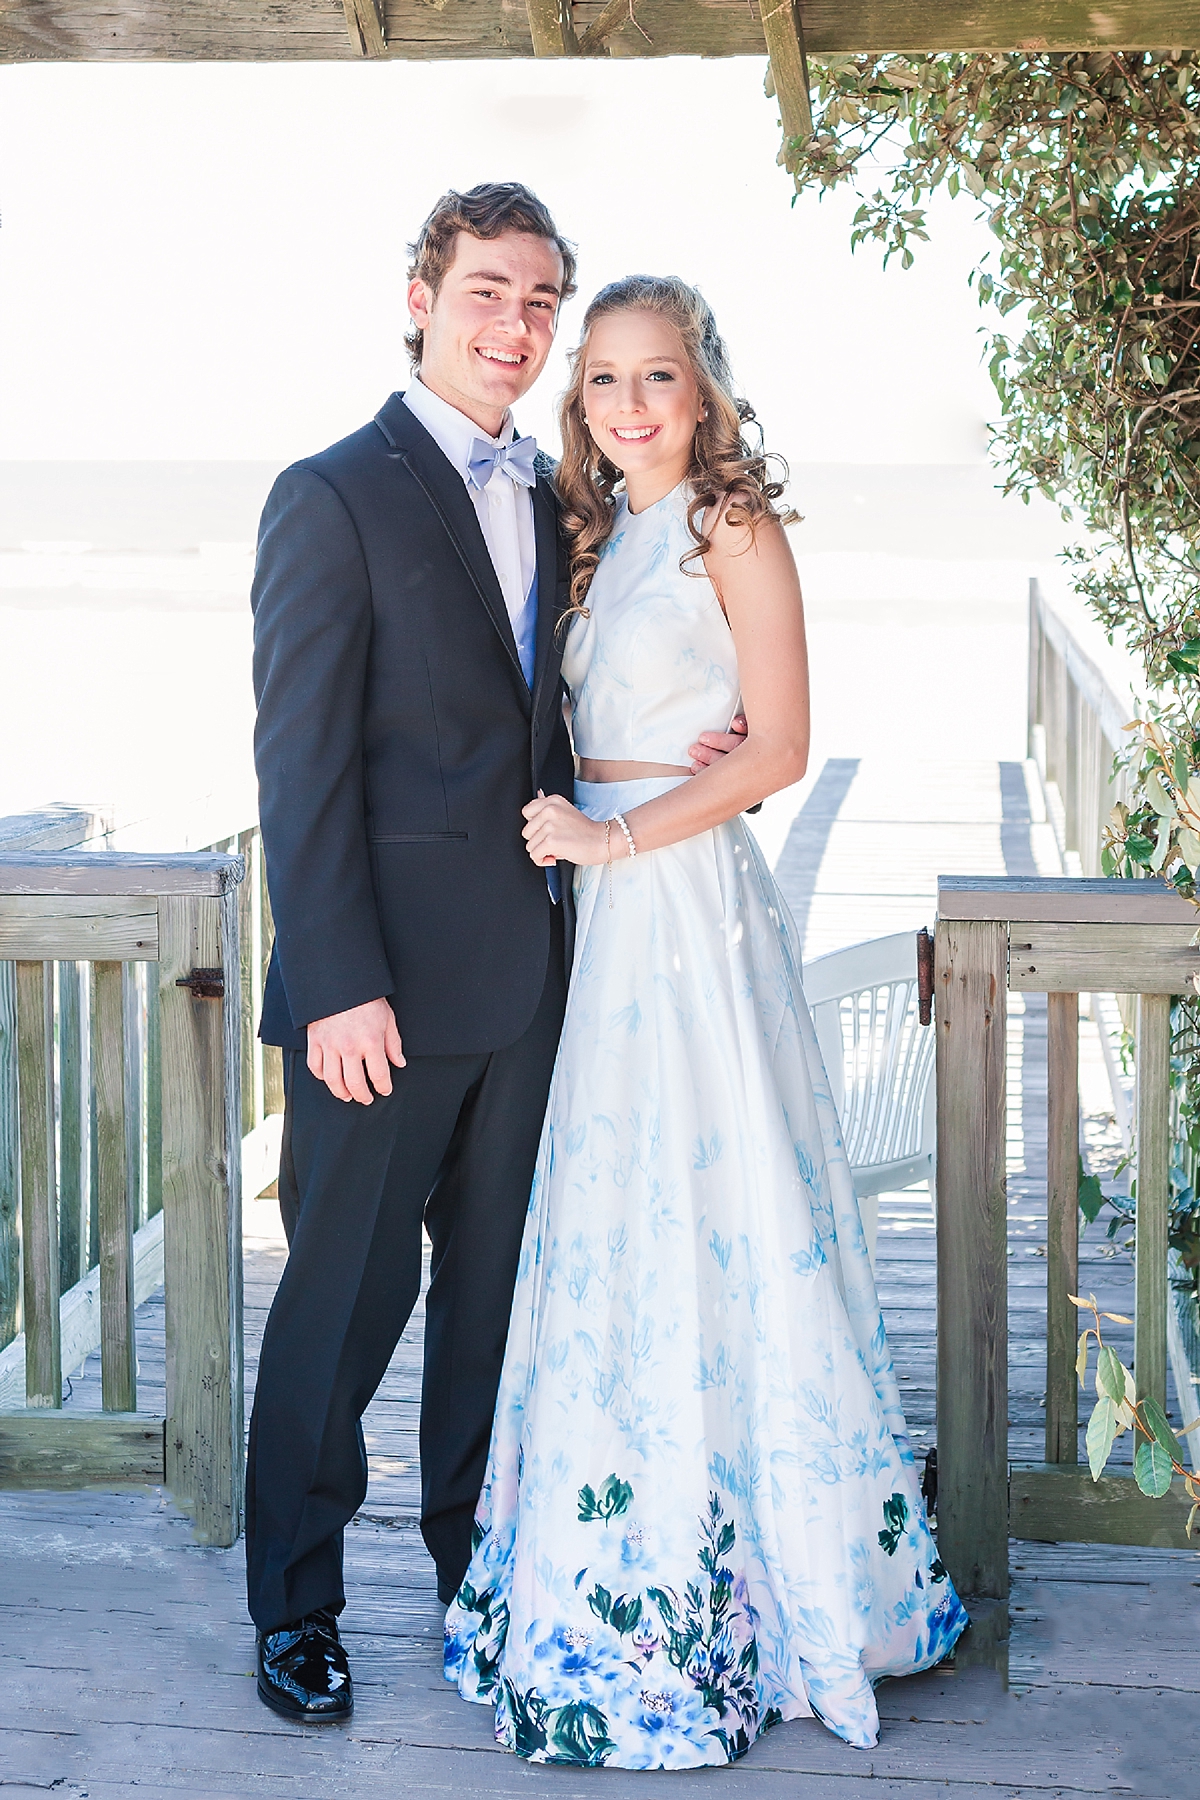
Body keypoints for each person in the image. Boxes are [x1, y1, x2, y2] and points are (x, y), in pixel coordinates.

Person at [444, 276, 968, 1767]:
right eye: (601, 380)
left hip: (675, 901)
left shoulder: (734, 526)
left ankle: (762, 1578)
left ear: (703, 389)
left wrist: (624, 835)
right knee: (608, 1221)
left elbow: (784, 744)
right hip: (590, 905)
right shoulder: (588, 533)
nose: (626, 405)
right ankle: (608, 1564)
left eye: (654, 377)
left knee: (713, 1208)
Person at [245, 189, 747, 1724]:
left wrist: (682, 765)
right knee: (339, 1300)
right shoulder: (329, 494)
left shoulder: (558, 492)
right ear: (422, 294)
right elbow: (299, 761)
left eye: (541, 301)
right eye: (487, 290)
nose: (516, 325)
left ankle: (482, 1573)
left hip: (540, 981)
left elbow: (576, 707)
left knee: (494, 1304)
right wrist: (332, 980)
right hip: (379, 998)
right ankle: (296, 1606)